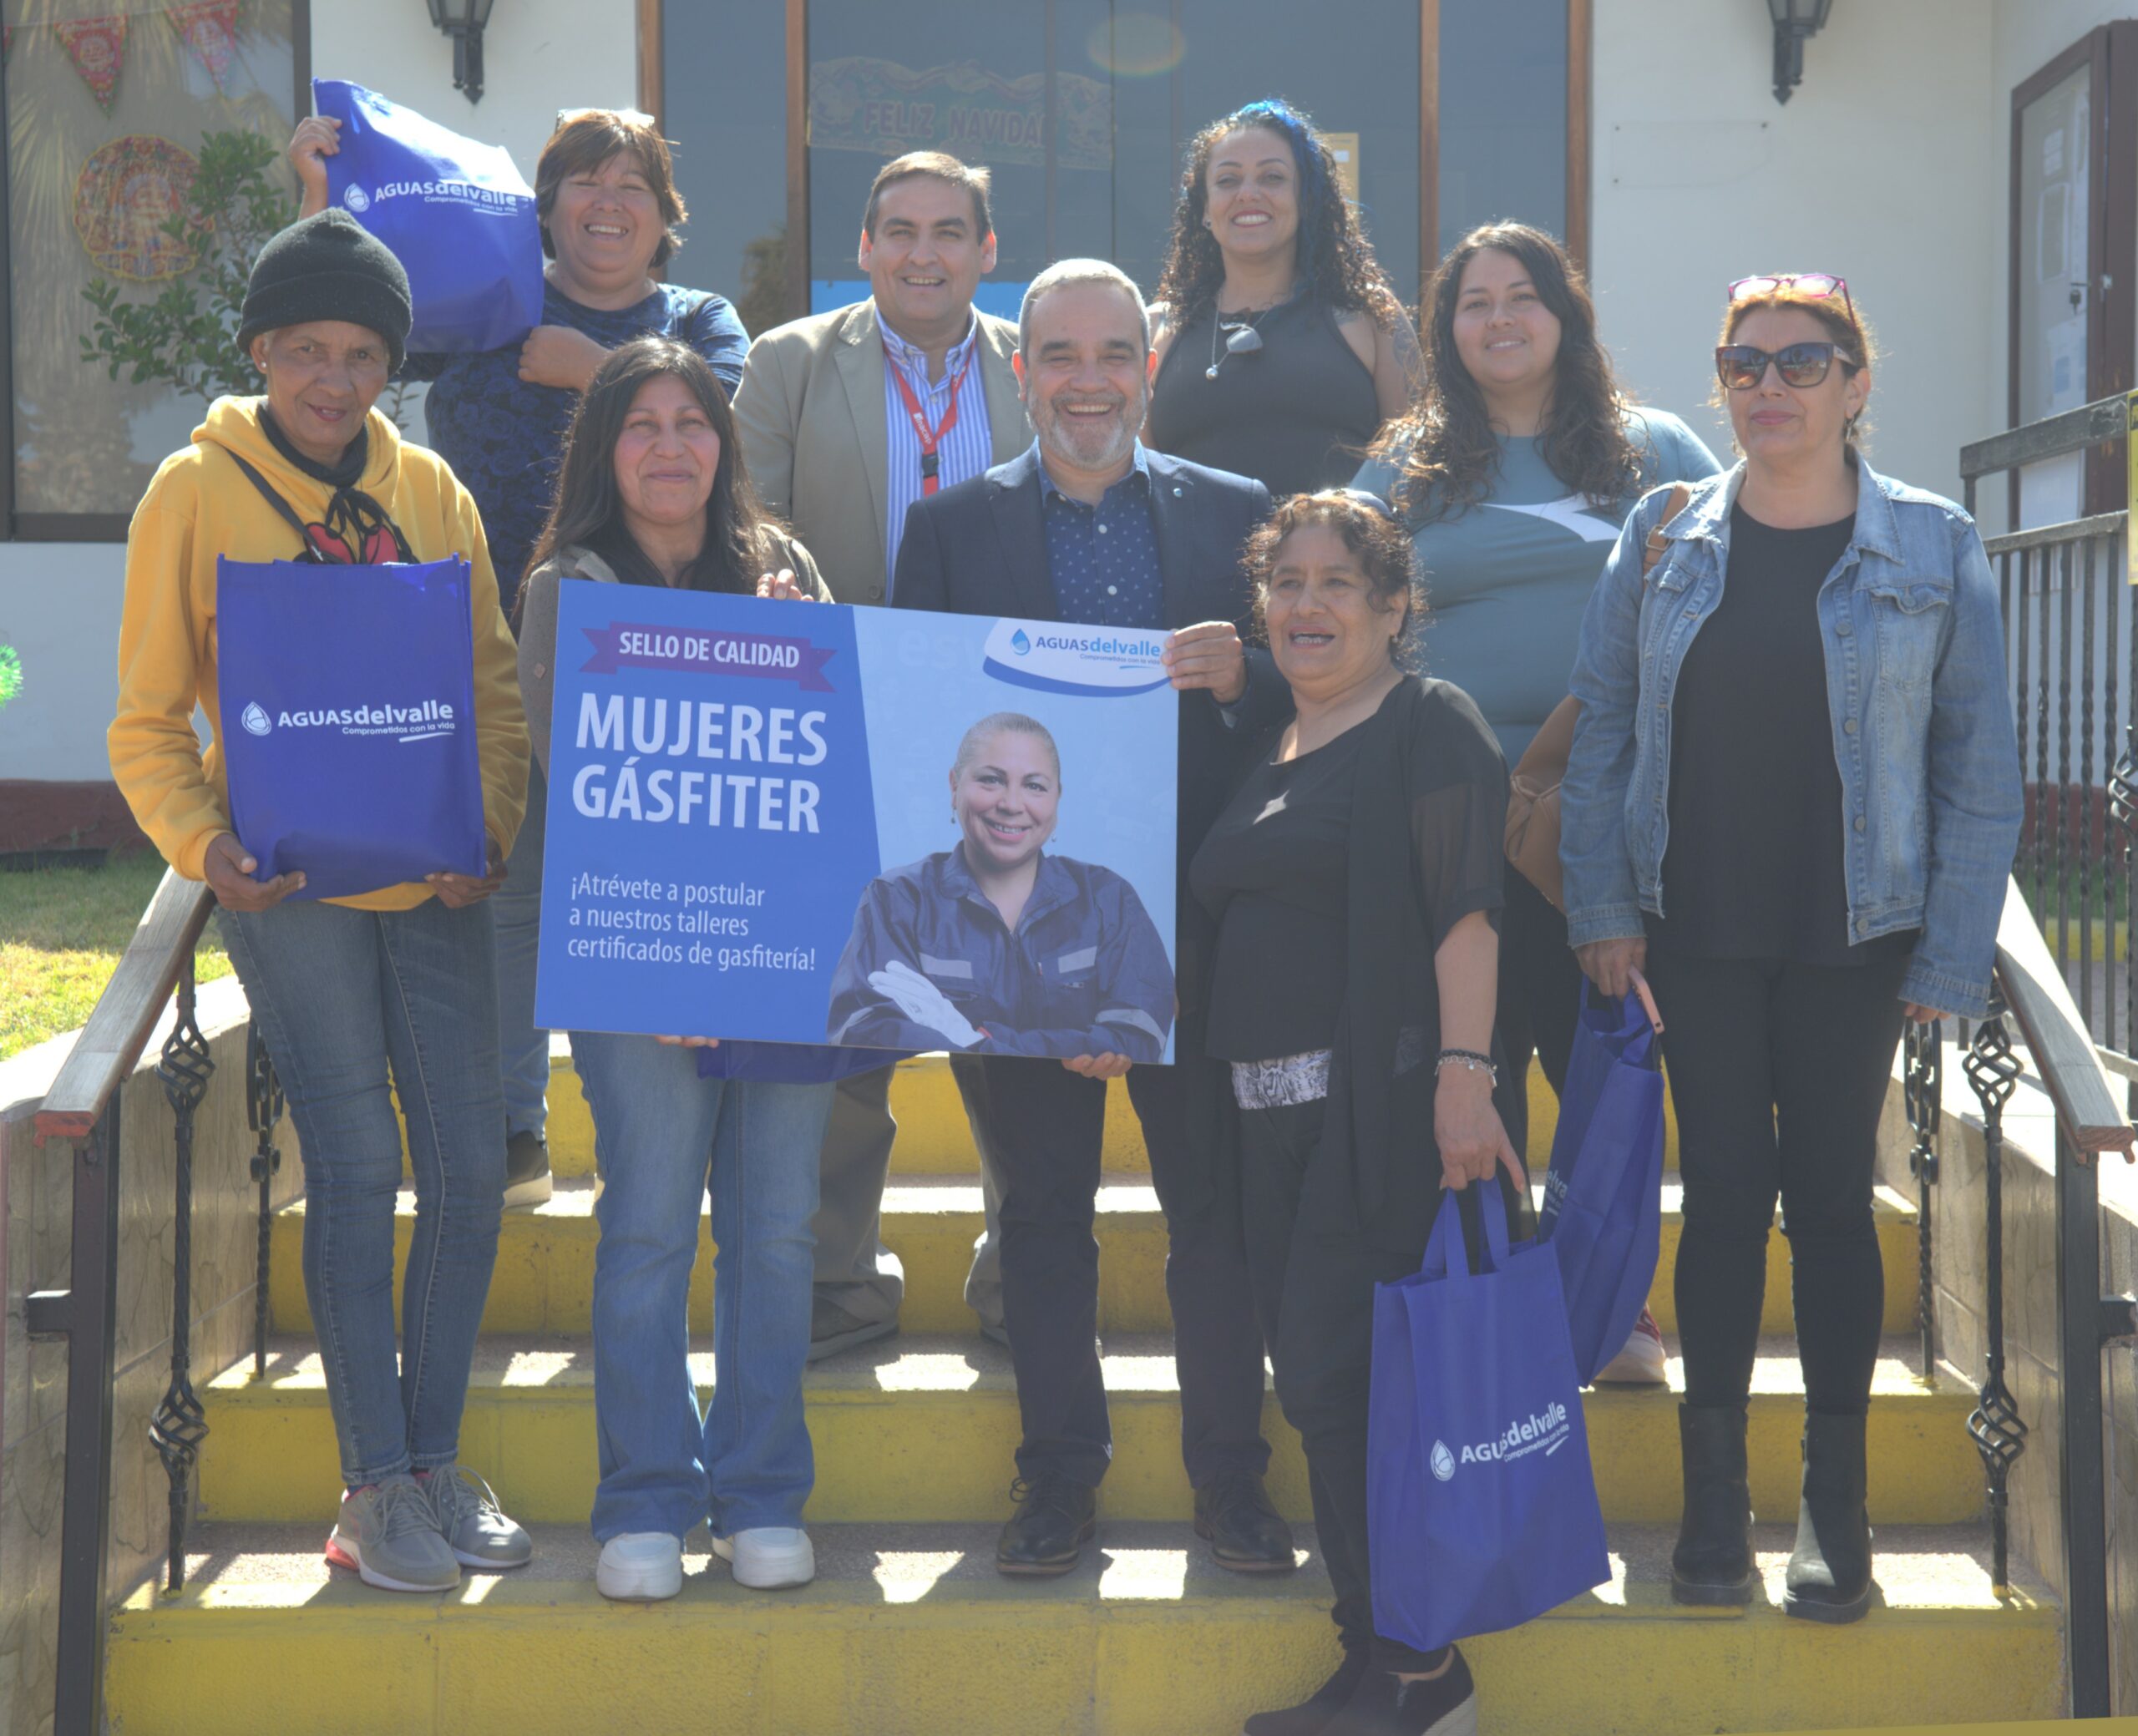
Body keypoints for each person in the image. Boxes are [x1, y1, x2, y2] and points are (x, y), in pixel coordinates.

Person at [1561, 276, 2022, 1623]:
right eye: (1745, 363)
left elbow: (1977, 773)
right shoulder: (1659, 534)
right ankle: (1714, 1507)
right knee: (1718, 1206)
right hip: (1691, 926)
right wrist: (1599, 901)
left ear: (1857, 382)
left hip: (1853, 937)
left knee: (1826, 1206)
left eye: (1803, 361)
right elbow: (1603, 731)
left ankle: (1837, 1507)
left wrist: (1948, 954)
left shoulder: (1934, 546)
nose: (1772, 386)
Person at [108, 209, 532, 1593]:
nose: (334, 380)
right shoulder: (194, 488)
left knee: (470, 1170)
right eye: (306, 351)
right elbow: (148, 717)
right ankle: (369, 1486)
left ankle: (432, 1462)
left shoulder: (435, 494)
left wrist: (494, 821)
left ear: (390, 365)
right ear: (261, 351)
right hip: (287, 885)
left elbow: (492, 686)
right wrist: (199, 844)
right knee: (357, 1172)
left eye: (361, 355)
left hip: (434, 880)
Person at [894, 258, 1293, 1579]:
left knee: (1215, 1224)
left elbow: (1304, 723)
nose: (1087, 380)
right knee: (1044, 1220)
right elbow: (921, 744)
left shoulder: (1241, 518)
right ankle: (1060, 1477)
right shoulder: (948, 530)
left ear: (1151, 365)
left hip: (1205, 942)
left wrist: (1249, 676)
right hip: (1014, 941)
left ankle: (1232, 1480)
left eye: (1112, 352)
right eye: (1059, 355)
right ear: (1022, 371)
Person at [288, 104, 748, 1216]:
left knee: (659, 887)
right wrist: (318, 196)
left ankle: (667, 1141)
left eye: (632, 185)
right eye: (583, 184)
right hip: (485, 642)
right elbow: (336, 326)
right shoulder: (490, 297)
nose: (607, 204)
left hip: (659, 654)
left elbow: (717, 430)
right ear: (541, 210)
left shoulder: (701, 316)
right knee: (507, 885)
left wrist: (593, 371)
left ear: (666, 214)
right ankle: (514, 1131)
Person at [516, 336, 872, 1601]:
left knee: (776, 1228)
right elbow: (585, 785)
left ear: (725, 441)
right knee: (652, 1224)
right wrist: (670, 959)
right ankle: (646, 1497)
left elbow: (834, 757)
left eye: (693, 421)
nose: (671, 445)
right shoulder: (571, 582)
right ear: (605, 448)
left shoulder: (788, 566)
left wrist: (809, 643)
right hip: (638, 956)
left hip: (784, 952)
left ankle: (764, 1487)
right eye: (641, 423)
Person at [1354, 220, 1722, 1386]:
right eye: (1472, 302)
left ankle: (1617, 1302)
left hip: (1609, 821)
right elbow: (1334, 596)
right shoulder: (1405, 466)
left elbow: (1736, 582)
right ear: (1445, 329)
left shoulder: (1646, 448)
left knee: (1601, 1066)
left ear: (1566, 315)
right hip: (1450, 811)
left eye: (1522, 296)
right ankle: (1503, 1301)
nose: (1498, 319)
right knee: (1478, 1063)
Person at [1191, 490, 1517, 1736]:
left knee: (1373, 1397)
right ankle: (1376, 1660)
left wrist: (1464, 1076)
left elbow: (1466, 914)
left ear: (1393, 608)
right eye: (1287, 582)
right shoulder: (1267, 744)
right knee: (1324, 1394)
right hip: (1259, 1125)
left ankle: (1429, 1676)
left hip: (1371, 1122)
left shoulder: (1427, 724)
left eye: (1338, 583)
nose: (1307, 604)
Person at [732, 151, 1032, 1359]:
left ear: (986, 249)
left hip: (1008, 739)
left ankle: (1024, 1280)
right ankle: (839, 1286)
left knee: (1012, 1018)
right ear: (862, 247)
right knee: (849, 1027)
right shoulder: (791, 363)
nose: (924, 252)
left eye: (950, 230)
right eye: (899, 230)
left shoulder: (1042, 356)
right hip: (843, 732)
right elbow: (745, 524)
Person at [824, 712, 1176, 1060]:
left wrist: (972, 1040)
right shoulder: (898, 899)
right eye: (991, 780)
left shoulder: (1106, 899)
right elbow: (861, 1027)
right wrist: (1062, 1046)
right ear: (954, 785)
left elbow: (1138, 1036)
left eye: (1034, 786)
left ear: (1058, 798)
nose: (1010, 804)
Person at [1145, 99, 1421, 499]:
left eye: (1272, 178)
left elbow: (1414, 462)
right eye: (1227, 180)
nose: (1248, 193)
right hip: (1196, 562)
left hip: (1339, 560)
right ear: (1205, 209)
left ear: (1307, 200)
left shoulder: (1371, 317)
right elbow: (1140, 480)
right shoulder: (1156, 329)